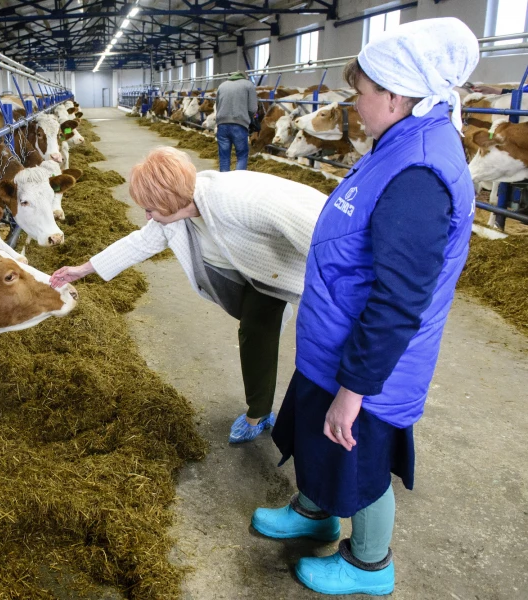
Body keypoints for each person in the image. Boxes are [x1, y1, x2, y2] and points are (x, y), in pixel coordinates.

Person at [250, 18, 479, 596]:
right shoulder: (399, 143)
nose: (355, 103)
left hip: (368, 363)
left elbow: (401, 299)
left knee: (359, 458)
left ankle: (369, 564)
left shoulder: (420, 173)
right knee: (317, 437)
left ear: (397, 94)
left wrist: (355, 390)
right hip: (335, 342)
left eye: (363, 91)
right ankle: (315, 510)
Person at [49, 146, 327, 443]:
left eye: (150, 209)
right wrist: (81, 270)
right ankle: (261, 410)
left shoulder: (239, 199)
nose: (146, 215)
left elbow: (319, 235)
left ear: (170, 201)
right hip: (254, 270)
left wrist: (345, 292)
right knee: (255, 332)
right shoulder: (176, 214)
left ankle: (273, 415)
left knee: (290, 334)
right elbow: (139, 243)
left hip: (296, 261)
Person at [214, 71, 258, 172]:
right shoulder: (248, 85)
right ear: (244, 77)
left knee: (224, 156)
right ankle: (237, 183)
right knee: (241, 155)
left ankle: (224, 183)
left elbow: (217, 105)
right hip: (240, 124)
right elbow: (252, 108)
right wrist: (250, 119)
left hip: (222, 124)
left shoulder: (222, 85)